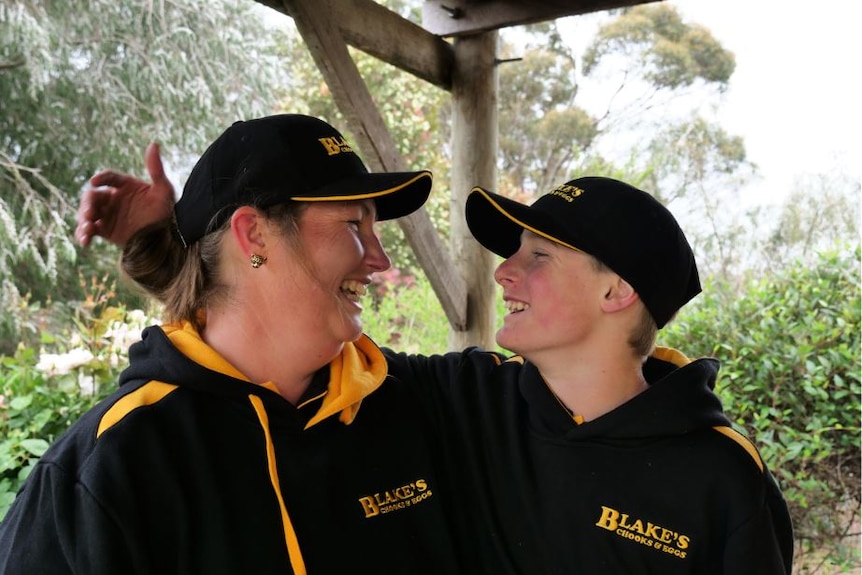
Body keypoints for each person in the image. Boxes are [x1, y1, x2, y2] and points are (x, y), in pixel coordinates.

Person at [65, 138, 793, 573]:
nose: (504, 272)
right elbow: (254, 339)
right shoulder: (466, 404)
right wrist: (177, 240)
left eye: (537, 255)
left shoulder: (721, 474)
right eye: (354, 225)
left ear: (617, 293)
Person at [0, 114, 468, 574]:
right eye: (352, 224)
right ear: (254, 234)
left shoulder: (415, 402)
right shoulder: (110, 466)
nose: (381, 260)